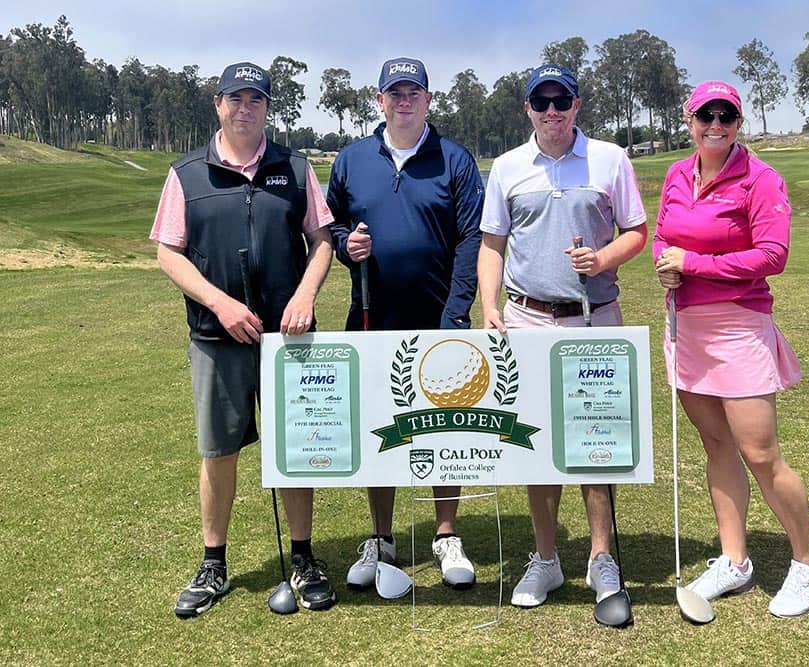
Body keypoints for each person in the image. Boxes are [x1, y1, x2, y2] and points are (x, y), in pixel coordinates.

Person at [152, 61, 335, 617]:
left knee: (298, 451)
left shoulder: (293, 166)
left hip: (289, 338)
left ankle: (302, 558)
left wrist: (305, 296)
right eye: (236, 98)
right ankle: (214, 564)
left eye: (256, 99)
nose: (245, 108)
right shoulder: (187, 174)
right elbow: (167, 251)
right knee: (218, 451)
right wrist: (220, 302)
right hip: (216, 336)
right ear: (218, 104)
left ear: (266, 107)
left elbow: (322, 240)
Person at [653, 80, 809, 618]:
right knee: (717, 446)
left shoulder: (760, 179)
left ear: (738, 122)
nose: (715, 124)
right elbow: (664, 234)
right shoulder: (676, 173)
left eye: (725, 115)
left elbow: (772, 254)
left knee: (759, 452)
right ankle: (735, 560)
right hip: (687, 325)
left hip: (739, 325)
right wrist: (665, 260)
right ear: (688, 120)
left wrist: (693, 265)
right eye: (705, 115)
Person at [478, 64, 648, 611]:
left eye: (562, 101)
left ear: (577, 105)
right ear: (527, 108)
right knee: (536, 444)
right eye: (541, 102)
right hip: (526, 318)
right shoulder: (507, 167)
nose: (552, 111)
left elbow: (638, 232)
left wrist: (601, 258)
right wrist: (488, 306)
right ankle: (547, 559)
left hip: (594, 316)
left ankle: (602, 557)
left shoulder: (610, 159)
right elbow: (492, 245)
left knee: (594, 443)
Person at [326, 57, 483, 590]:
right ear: (380, 101)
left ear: (428, 99)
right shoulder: (351, 160)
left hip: (439, 318)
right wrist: (349, 247)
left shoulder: (455, 161)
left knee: (443, 430)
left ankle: (444, 535)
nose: (404, 100)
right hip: (371, 315)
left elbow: (470, 241)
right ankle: (382, 536)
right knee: (382, 428)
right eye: (394, 92)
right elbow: (332, 228)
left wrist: (456, 313)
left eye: (413, 91)